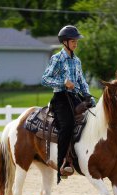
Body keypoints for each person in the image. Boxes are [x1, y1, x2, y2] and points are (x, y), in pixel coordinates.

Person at [41, 25, 95, 182]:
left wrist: (87, 95)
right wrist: (64, 82)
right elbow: (45, 78)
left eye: (76, 41)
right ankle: (62, 162)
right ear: (64, 42)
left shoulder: (77, 60)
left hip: (75, 97)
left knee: (92, 117)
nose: (76, 43)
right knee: (68, 124)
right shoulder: (57, 58)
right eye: (73, 41)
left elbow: (81, 80)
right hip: (61, 98)